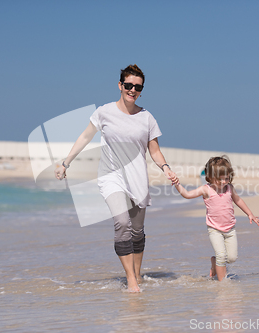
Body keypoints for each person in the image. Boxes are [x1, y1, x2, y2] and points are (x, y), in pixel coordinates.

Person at [54, 64, 177, 292]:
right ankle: (130, 279)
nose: (132, 90)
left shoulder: (147, 117)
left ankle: (137, 275)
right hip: (111, 177)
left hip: (137, 178)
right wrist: (65, 162)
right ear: (120, 85)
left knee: (137, 231)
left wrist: (166, 168)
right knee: (122, 224)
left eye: (137, 87)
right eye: (128, 85)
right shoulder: (104, 112)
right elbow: (85, 137)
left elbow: (155, 150)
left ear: (141, 90)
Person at [174, 156, 259, 281]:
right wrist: (177, 184)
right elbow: (187, 195)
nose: (223, 182)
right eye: (219, 179)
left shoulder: (230, 188)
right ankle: (222, 283)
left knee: (231, 258)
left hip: (230, 229)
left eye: (226, 178)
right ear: (210, 177)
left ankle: (215, 262)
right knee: (221, 255)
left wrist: (250, 214)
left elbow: (238, 200)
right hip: (214, 229)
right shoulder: (206, 189)